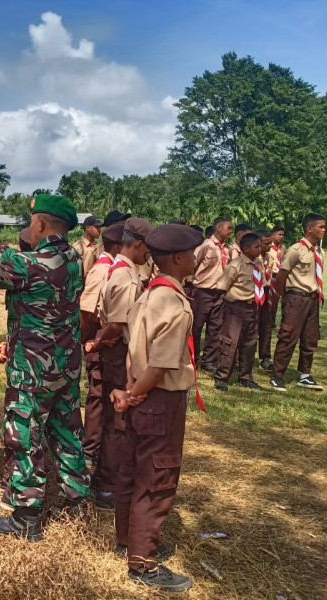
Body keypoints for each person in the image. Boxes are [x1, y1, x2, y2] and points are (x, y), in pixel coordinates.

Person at [0, 194, 90, 541]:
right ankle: (77, 502)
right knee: (67, 432)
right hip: (65, 368)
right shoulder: (73, 258)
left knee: (23, 436)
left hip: (33, 371)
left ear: (40, 224)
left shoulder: (30, 266)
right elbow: (22, 258)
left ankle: (26, 516)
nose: (27, 228)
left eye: (30, 222)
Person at [111, 223, 204, 593]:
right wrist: (136, 394)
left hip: (140, 391)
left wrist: (131, 390)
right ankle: (144, 562)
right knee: (157, 479)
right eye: (193, 254)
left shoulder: (148, 294)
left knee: (132, 471)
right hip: (159, 400)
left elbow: (135, 354)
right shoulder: (175, 306)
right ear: (179, 259)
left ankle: (127, 541)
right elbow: (162, 365)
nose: (196, 259)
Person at [86, 218, 153, 510]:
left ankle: (104, 478)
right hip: (118, 352)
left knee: (111, 419)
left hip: (116, 348)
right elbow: (116, 326)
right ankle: (107, 485)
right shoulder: (125, 277)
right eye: (147, 248)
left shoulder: (120, 270)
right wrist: (98, 345)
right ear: (138, 244)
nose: (149, 254)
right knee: (117, 422)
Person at [79, 223, 124, 469]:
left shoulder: (116, 268)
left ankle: (100, 444)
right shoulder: (102, 269)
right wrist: (89, 341)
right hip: (98, 333)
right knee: (97, 393)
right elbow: (86, 311)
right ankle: (90, 446)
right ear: (118, 246)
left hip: (106, 335)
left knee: (106, 392)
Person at [270, 213, 326, 392]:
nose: (324, 230)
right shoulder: (296, 249)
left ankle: (305, 375)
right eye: (321, 227)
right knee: (288, 337)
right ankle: (277, 375)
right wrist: (285, 298)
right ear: (309, 228)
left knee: (310, 338)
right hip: (296, 297)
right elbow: (281, 275)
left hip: (312, 299)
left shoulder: (319, 251)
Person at [214, 232, 265, 390]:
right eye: (257, 246)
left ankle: (245, 376)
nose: (260, 248)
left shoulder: (258, 263)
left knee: (250, 342)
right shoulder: (236, 264)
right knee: (230, 342)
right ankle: (222, 376)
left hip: (253, 306)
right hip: (236, 307)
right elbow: (222, 286)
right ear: (246, 249)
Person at [191, 216, 233, 373]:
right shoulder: (206, 246)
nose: (230, 231)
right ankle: (193, 357)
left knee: (215, 327)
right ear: (219, 228)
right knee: (196, 326)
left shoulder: (227, 249)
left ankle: (208, 360)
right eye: (228, 228)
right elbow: (193, 264)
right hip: (202, 291)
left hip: (219, 293)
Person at [255, 229, 276, 372]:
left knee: (266, 326)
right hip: (254, 293)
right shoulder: (253, 259)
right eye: (266, 243)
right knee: (250, 327)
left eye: (270, 243)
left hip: (267, 293)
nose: (269, 246)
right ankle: (243, 358)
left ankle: (265, 358)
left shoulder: (270, 258)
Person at [267, 225, 286, 329]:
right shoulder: (268, 248)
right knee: (272, 301)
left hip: (280, 276)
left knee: (281, 300)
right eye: (279, 234)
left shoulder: (282, 248)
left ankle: (276, 322)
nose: (281, 237)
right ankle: (270, 322)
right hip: (271, 276)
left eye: (283, 235)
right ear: (273, 235)